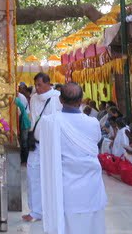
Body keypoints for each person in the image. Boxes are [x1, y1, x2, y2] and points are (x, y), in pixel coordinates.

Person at [39, 82, 106, 234]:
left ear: (60, 100)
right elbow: (95, 141)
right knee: (91, 226)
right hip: (90, 186)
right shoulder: (93, 123)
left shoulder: (50, 122)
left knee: (69, 227)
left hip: (65, 188)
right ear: (81, 100)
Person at [23, 72, 61, 223]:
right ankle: (35, 211)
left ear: (48, 83)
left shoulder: (58, 97)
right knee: (32, 176)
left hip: (52, 145)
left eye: (40, 85)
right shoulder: (33, 98)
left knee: (52, 177)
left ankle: (53, 210)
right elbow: (33, 119)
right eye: (36, 85)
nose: (37, 88)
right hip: (36, 144)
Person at [15, 84, 33, 165]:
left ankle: (25, 160)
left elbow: (20, 111)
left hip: (25, 120)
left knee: (24, 141)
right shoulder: (16, 98)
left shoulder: (20, 97)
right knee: (22, 141)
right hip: (21, 120)